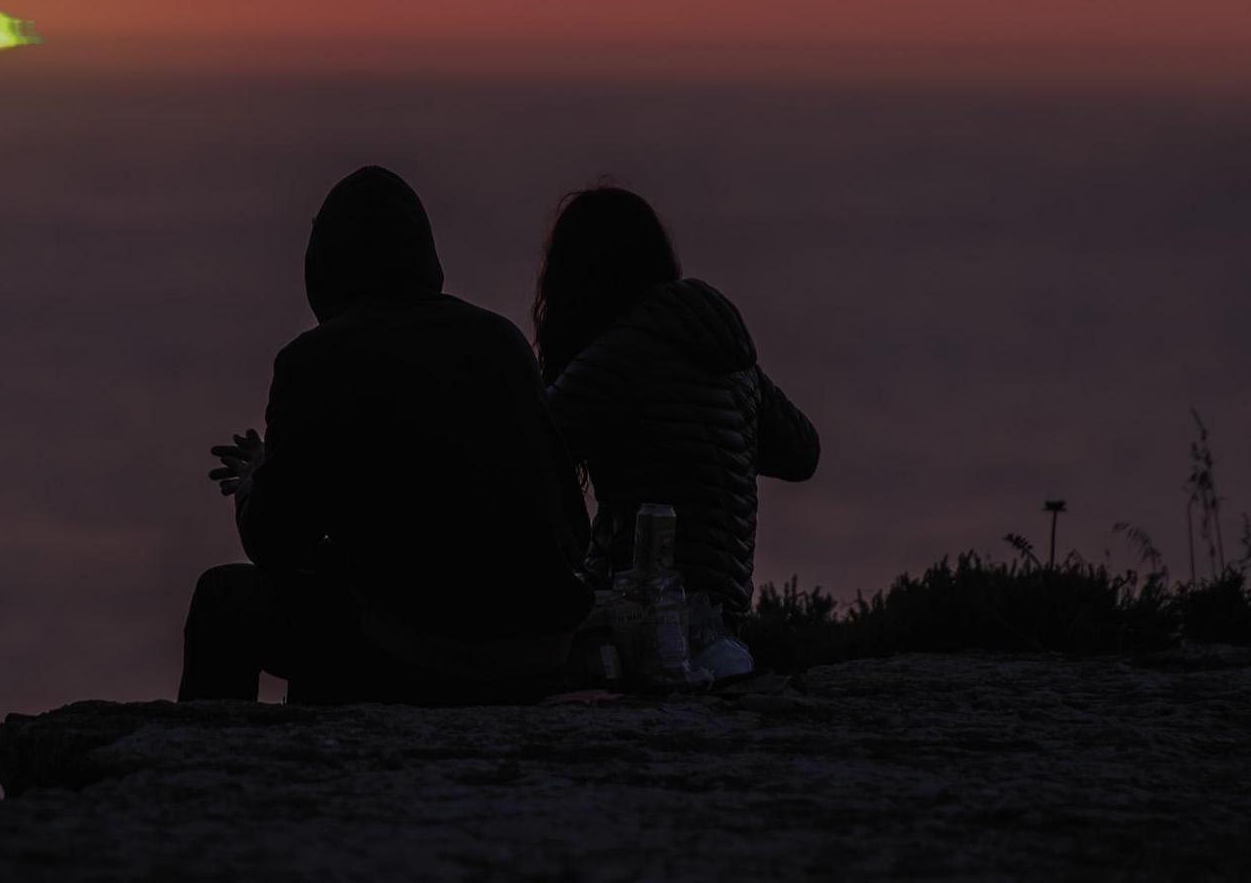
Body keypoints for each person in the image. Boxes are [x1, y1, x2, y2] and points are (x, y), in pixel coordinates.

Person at [179, 166, 592, 704]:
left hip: (427, 660)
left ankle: (214, 783)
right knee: (343, 590)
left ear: (323, 266)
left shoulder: (315, 360)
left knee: (225, 599)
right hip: (541, 656)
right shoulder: (503, 342)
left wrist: (258, 478)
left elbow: (274, 543)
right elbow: (571, 532)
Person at [533, 185, 819, 623]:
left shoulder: (619, 358)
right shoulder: (731, 362)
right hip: (724, 622)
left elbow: (523, 449)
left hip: (635, 613)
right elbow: (803, 453)